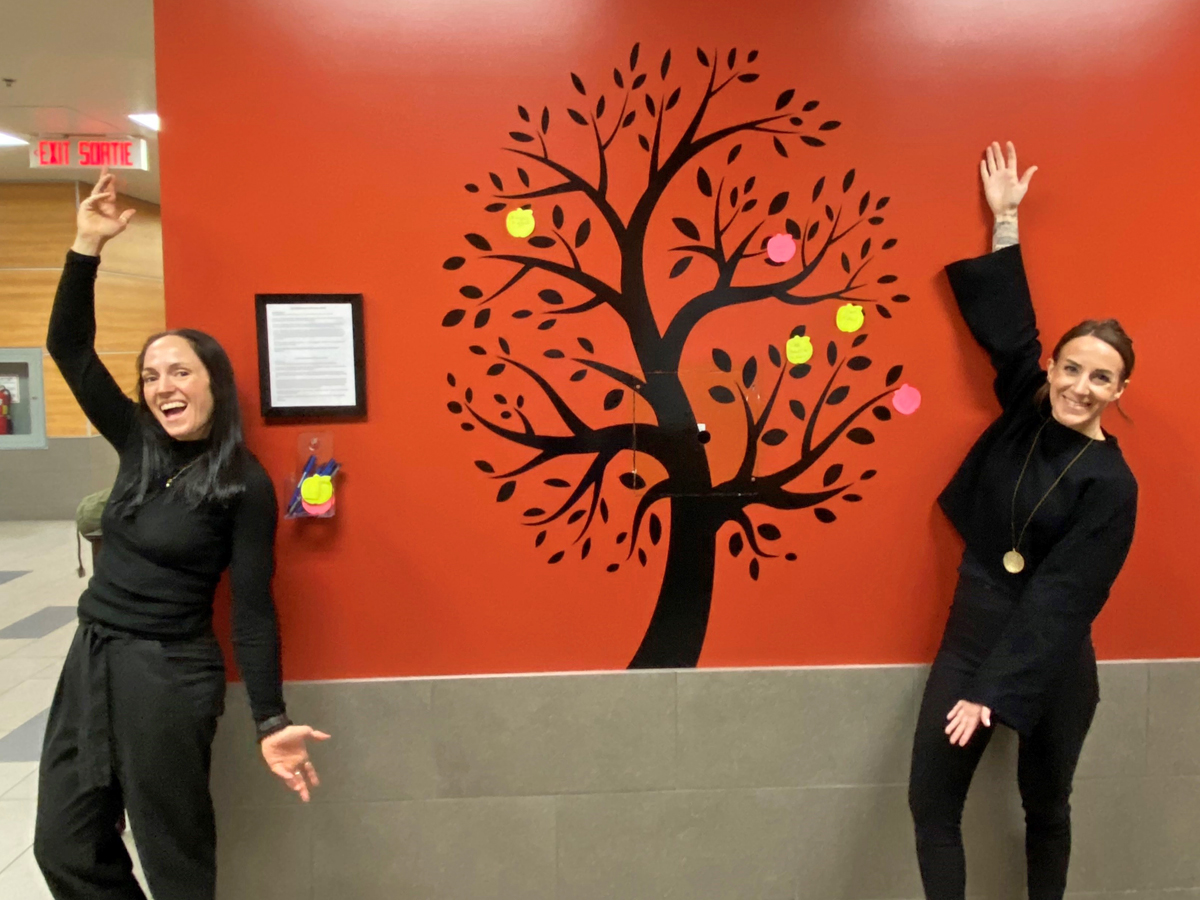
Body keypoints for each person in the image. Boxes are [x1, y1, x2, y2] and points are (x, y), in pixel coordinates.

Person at [34, 169, 330, 900]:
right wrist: (86, 245)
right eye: (151, 374)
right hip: (92, 657)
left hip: (167, 675)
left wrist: (271, 719)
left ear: (213, 384)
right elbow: (69, 347)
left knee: (174, 858)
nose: (163, 384)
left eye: (179, 371)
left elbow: (255, 609)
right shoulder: (138, 443)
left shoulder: (244, 484)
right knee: (63, 847)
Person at [908, 142, 1138, 900]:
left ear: (1118, 389)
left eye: (1099, 376)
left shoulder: (1112, 484)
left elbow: (1063, 599)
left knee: (1046, 809)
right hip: (974, 629)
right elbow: (1011, 333)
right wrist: (1005, 222)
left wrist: (993, 694)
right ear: (1053, 370)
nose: (1079, 385)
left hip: (1052, 658)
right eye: (1070, 367)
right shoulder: (1027, 414)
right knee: (931, 802)